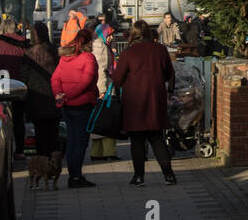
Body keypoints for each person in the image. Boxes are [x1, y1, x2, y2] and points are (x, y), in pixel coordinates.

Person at [113, 18, 176, 187]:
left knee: (137, 140)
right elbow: (169, 74)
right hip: (156, 99)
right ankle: (168, 174)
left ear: (134, 33)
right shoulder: (160, 50)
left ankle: (139, 176)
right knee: (157, 138)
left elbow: (118, 79)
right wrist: (168, 90)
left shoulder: (128, 53)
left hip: (135, 101)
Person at [50, 27, 99, 189]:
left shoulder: (64, 59)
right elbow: (86, 82)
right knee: (81, 142)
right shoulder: (88, 58)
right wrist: (68, 95)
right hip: (82, 106)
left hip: (66, 107)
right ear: (87, 42)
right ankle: (75, 177)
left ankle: (74, 175)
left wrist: (60, 95)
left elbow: (55, 79)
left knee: (72, 141)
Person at [0, 24, 29, 159]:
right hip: (20, 87)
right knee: (18, 120)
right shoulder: (23, 43)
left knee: (2, 121)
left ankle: (4, 151)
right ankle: (20, 150)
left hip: (2, 88)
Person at [22, 22, 60, 159]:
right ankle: (52, 157)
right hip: (53, 95)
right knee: (53, 131)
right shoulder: (53, 51)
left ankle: (42, 157)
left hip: (35, 97)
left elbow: (24, 76)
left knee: (40, 131)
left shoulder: (28, 54)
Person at [87, 18, 117, 163]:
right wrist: (103, 90)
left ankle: (96, 152)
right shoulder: (102, 47)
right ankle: (109, 152)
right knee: (107, 121)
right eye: (110, 34)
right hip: (104, 90)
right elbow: (102, 70)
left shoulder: (94, 45)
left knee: (97, 121)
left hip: (97, 89)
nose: (111, 37)